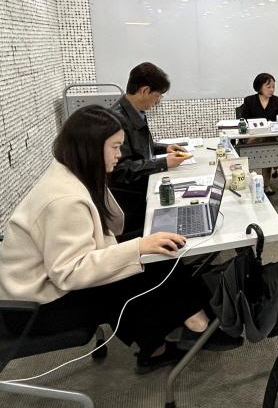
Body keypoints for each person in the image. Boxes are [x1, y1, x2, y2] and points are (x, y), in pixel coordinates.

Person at [0, 106, 238, 375]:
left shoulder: (72, 173)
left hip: (46, 286)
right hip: (37, 309)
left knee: (155, 252)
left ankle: (167, 337)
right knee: (143, 271)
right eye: (115, 147)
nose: (119, 154)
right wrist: (138, 248)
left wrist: (140, 246)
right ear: (90, 148)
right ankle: (194, 325)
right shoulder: (64, 200)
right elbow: (69, 273)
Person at [109, 62, 192, 241]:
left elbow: (138, 146)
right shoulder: (117, 120)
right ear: (145, 90)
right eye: (158, 95)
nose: (158, 101)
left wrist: (164, 148)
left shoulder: (134, 111)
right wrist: (163, 162)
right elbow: (121, 169)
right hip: (131, 201)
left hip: (143, 188)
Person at [240, 73, 278, 196]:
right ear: (259, 87)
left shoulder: (276, 101)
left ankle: (266, 186)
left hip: (269, 139)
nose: (272, 90)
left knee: (268, 143)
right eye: (268, 87)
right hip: (253, 139)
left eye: (273, 87)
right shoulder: (249, 100)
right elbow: (244, 121)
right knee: (269, 143)